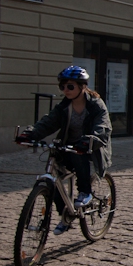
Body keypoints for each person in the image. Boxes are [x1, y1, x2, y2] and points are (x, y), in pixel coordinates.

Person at [17, 66, 112, 235]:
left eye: (70, 86)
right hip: (67, 145)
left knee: (78, 156)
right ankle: (65, 216)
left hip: (90, 147)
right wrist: (30, 134)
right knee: (52, 180)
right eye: (62, 86)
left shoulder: (96, 105)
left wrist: (91, 139)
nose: (65, 90)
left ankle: (85, 192)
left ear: (82, 86)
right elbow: (49, 122)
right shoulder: (64, 106)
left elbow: (103, 126)